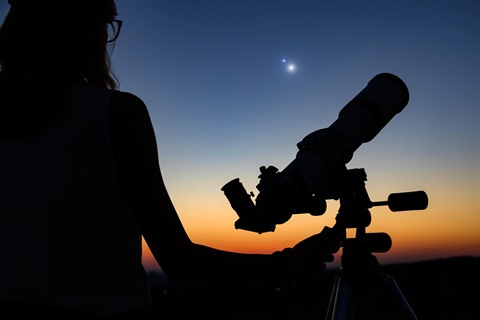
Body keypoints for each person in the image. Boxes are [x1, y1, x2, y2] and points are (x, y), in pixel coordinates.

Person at [0, 0, 341, 318]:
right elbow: (179, 261)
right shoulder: (117, 114)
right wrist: (290, 263)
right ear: (79, 29)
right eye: (105, 25)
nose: (106, 38)